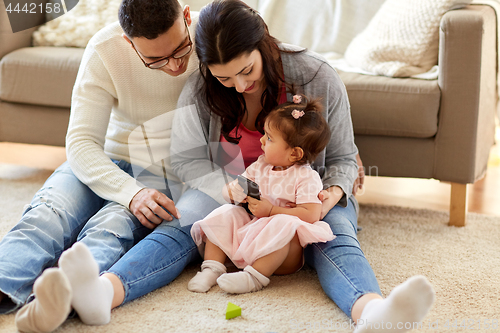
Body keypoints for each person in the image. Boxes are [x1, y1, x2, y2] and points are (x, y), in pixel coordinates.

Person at [170, 0, 435, 332]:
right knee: (182, 224)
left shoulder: (317, 75)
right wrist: (221, 187)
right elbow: (184, 159)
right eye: (224, 77)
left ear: (263, 44)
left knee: (335, 237)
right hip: (234, 194)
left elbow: (341, 157)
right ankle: (109, 287)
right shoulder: (201, 87)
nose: (238, 85)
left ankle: (372, 313)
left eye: (246, 70)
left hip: (311, 195)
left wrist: (333, 193)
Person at [0, 0, 215, 332]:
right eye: (155, 60)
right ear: (128, 43)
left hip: (163, 168)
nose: (174, 66)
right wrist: (131, 193)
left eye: (180, 50)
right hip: (103, 158)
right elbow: (82, 143)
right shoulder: (105, 47)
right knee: (47, 214)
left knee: (110, 228)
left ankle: (61, 301)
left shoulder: (213, 35)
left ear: (186, 17)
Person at [188, 95, 336, 294]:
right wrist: (232, 192)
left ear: (295, 153)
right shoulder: (261, 166)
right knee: (227, 211)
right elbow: (236, 186)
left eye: (269, 138)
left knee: (282, 222)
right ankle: (211, 268)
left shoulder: (306, 177)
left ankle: (254, 278)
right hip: (252, 235)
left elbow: (311, 214)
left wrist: (272, 210)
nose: (261, 140)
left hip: (281, 252)